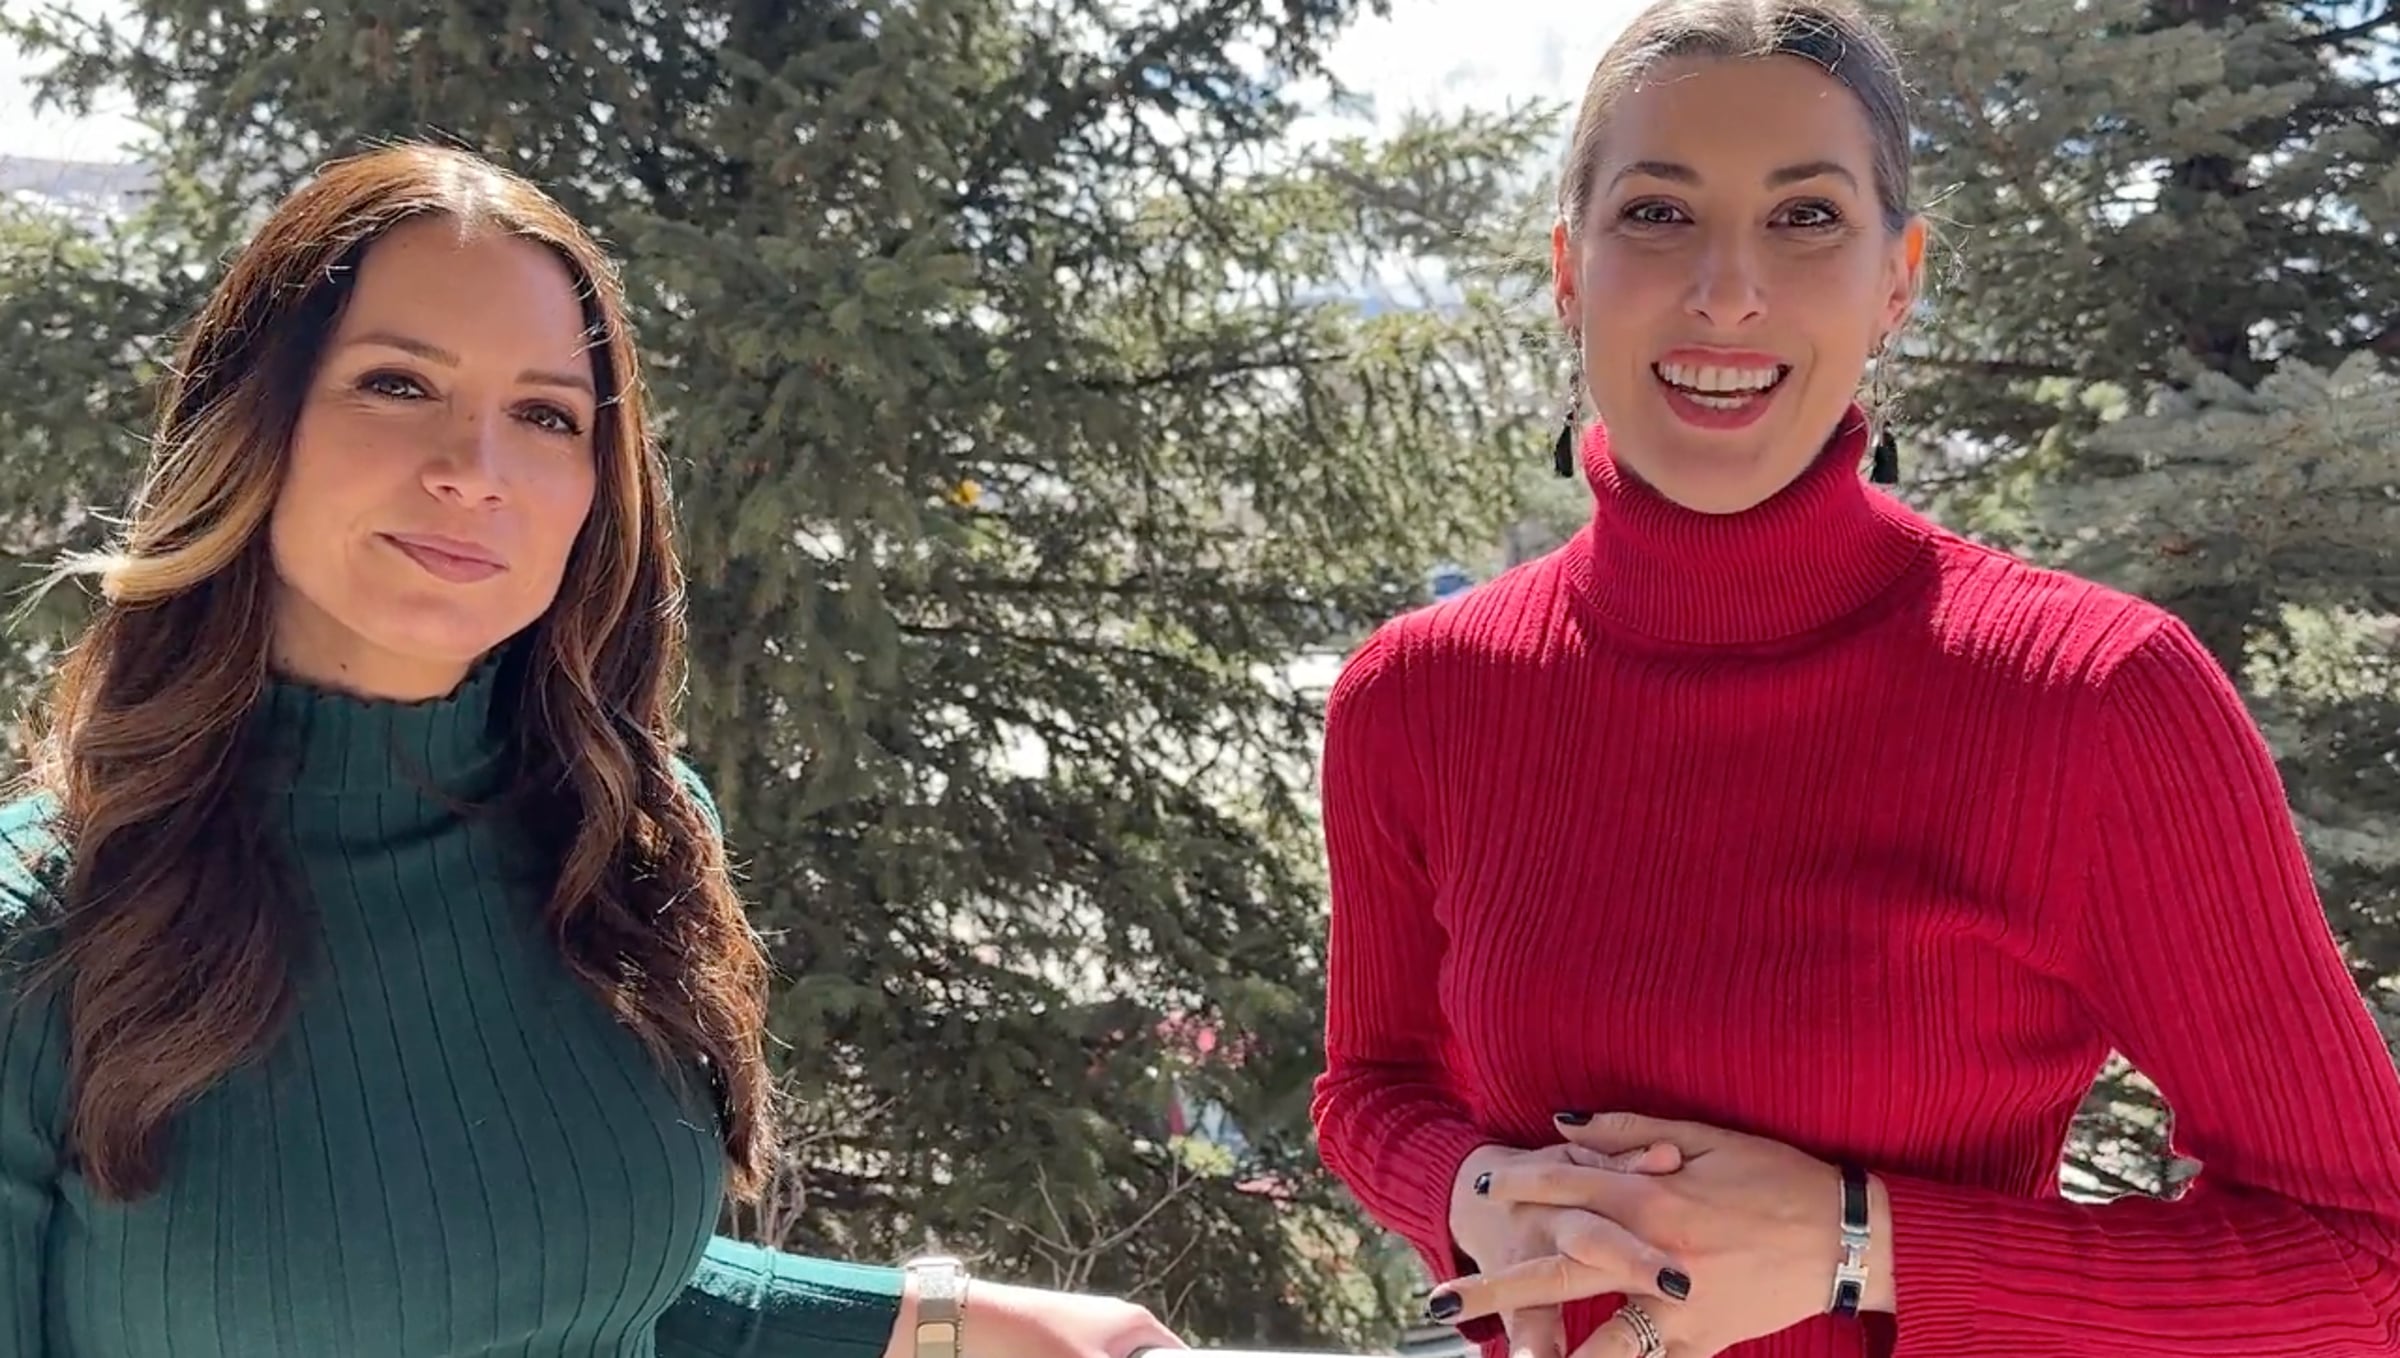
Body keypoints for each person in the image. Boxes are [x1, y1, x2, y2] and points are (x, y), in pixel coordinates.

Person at [1307, 3, 2400, 1357]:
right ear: (1568, 270)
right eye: (1657, 213)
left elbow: (2365, 1261)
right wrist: (1476, 1190)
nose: (1726, 292)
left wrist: (1860, 1245)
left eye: (1807, 217)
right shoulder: (1418, 697)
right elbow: (1373, 1083)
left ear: (1898, 280)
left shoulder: (2095, 698)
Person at [0, 142, 1185, 1358]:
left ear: (596, 488)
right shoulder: (43, 928)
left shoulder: (626, 836)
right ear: (249, 420)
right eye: (398, 384)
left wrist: (944, 1321)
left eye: (544, 415)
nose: (476, 472)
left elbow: (570, 1279)